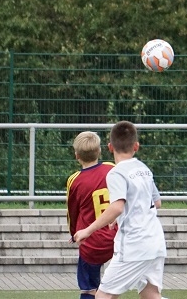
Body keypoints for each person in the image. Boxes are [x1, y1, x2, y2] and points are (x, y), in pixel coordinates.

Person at [73, 121, 167, 299]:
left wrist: (87, 230)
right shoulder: (143, 169)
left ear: (110, 147)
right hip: (155, 241)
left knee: (103, 296)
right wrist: (121, 215)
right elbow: (157, 202)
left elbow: (117, 206)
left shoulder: (116, 173)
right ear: (136, 146)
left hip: (134, 245)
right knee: (151, 295)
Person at [66, 131, 118, 299]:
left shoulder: (75, 180)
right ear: (100, 151)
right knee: (112, 288)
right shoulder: (112, 168)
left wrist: (74, 234)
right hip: (116, 237)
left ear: (77, 155)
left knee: (88, 288)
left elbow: (72, 212)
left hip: (91, 241)